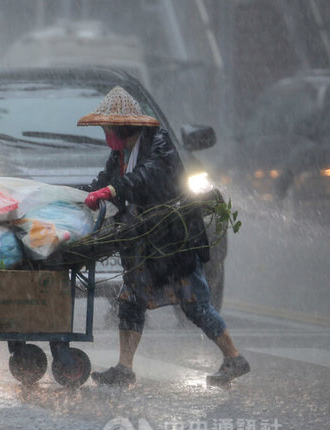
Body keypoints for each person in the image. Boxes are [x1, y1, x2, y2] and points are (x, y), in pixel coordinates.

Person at [78, 86, 249, 387]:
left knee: (195, 304)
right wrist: (85, 194)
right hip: (145, 244)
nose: (106, 133)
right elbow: (105, 180)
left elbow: (147, 177)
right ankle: (124, 368)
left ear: (122, 125)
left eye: (108, 127)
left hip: (173, 241)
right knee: (130, 300)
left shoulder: (159, 144)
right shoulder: (120, 152)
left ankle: (234, 358)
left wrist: (112, 191)